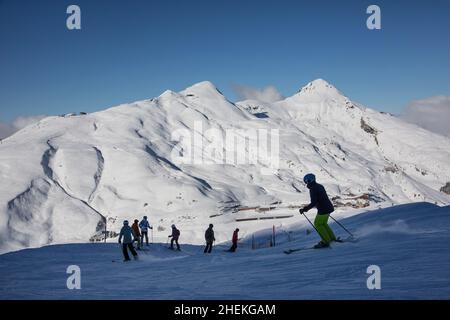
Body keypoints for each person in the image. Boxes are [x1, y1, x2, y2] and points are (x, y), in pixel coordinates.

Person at [299, 173, 336, 248]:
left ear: (310, 180)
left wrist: (305, 209)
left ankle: (326, 241)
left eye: (307, 181)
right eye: (305, 181)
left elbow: (314, 202)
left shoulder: (313, 189)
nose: (306, 183)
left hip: (323, 209)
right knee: (323, 224)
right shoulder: (319, 186)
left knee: (317, 224)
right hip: (328, 207)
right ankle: (332, 238)